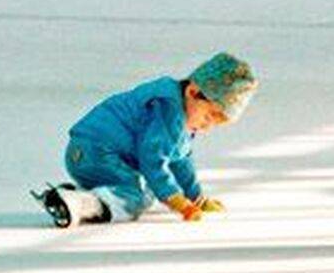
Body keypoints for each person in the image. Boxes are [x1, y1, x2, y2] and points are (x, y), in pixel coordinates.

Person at [31, 53, 258, 228]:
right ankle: (82, 204)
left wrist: (195, 197)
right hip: (98, 152)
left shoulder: (180, 115)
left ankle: (70, 196)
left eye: (216, 124)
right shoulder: (170, 112)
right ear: (193, 91)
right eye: (209, 116)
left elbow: (180, 159)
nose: (208, 126)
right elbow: (153, 160)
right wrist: (175, 200)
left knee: (148, 189)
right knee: (136, 197)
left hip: (86, 152)